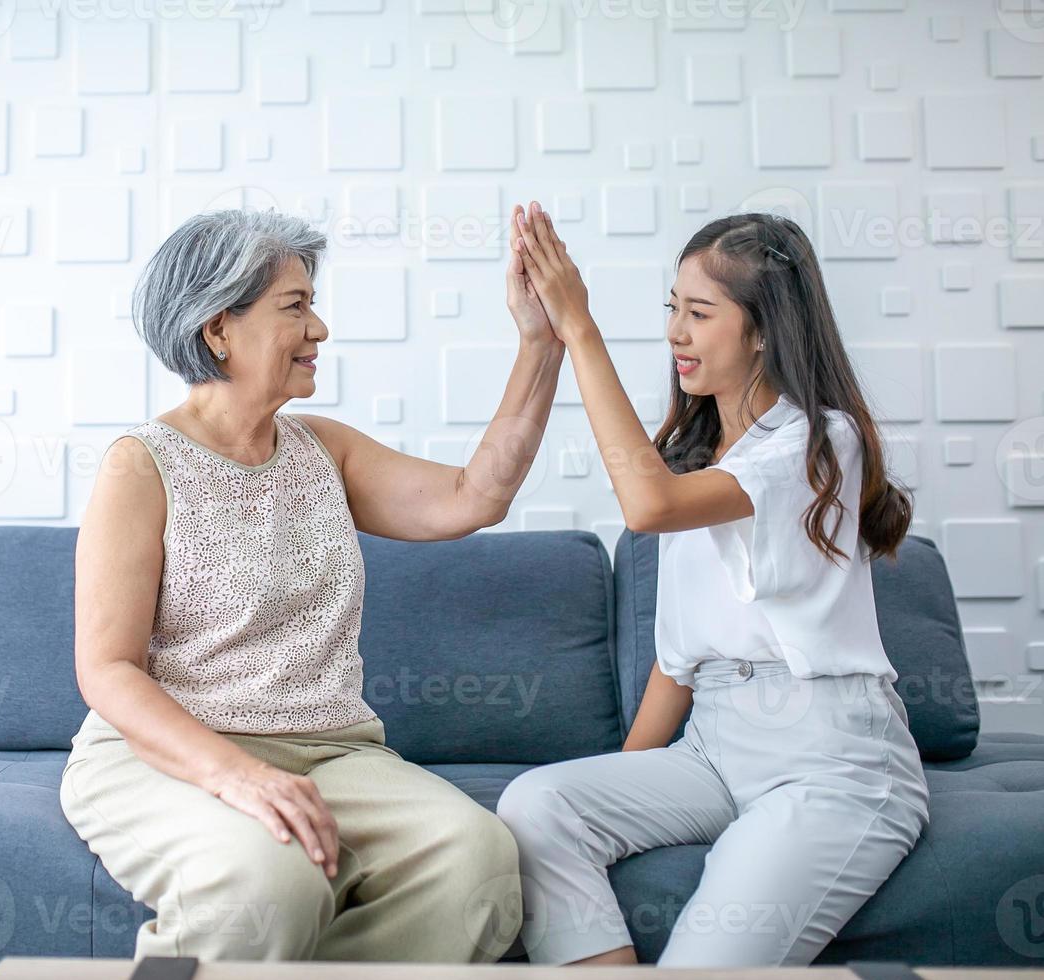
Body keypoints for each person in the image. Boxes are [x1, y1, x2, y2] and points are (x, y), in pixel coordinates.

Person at [60, 206, 565, 962]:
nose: (320, 329)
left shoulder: (322, 450)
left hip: (332, 753)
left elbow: (474, 497)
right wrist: (241, 778)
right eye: (296, 307)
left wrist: (541, 340)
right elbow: (106, 670)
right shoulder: (143, 465)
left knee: (476, 862)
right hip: (169, 751)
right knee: (267, 881)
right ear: (218, 329)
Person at [495, 202, 931, 966]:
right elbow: (678, 661)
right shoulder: (697, 459)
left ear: (764, 330)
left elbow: (648, 505)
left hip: (830, 758)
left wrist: (580, 330)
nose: (675, 334)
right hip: (715, 748)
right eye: (673, 309)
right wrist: (623, 784)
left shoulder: (818, 438)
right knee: (539, 805)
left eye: (699, 313)